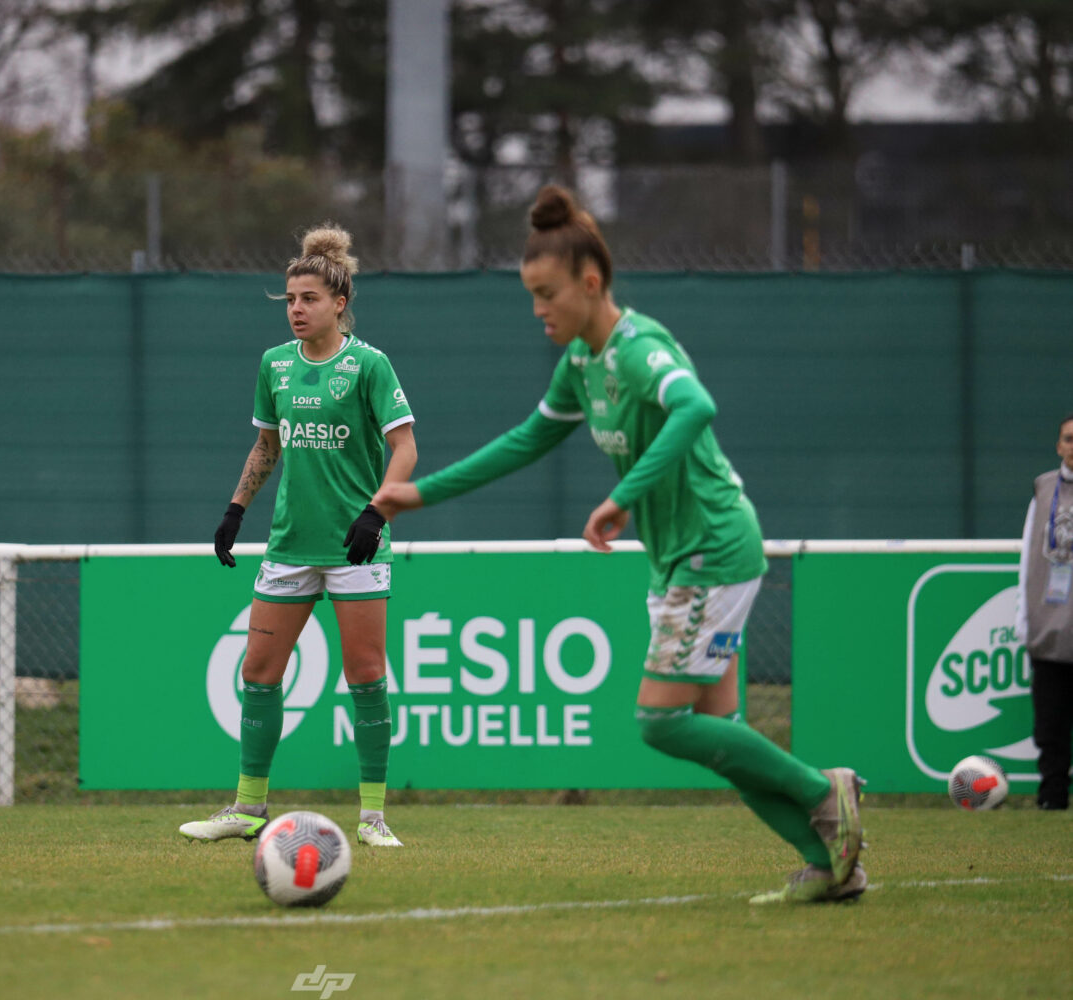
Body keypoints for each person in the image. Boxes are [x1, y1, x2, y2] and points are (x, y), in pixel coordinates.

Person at [371, 185, 865, 903]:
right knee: (719, 731)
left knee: (660, 722)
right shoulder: (582, 362)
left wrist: (623, 496)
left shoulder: (637, 350)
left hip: (711, 548)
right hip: (682, 556)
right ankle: (829, 864)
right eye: (531, 296)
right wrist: (421, 494)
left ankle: (825, 792)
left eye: (546, 295)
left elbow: (696, 406)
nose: (537, 310)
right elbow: (528, 439)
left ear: (590, 282)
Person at [180, 224, 418, 848]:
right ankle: (247, 809)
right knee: (258, 672)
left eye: (309, 299)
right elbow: (267, 446)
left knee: (366, 676)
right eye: (290, 299)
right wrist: (235, 509)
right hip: (288, 546)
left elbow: (405, 448)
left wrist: (377, 514)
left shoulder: (368, 365)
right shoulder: (275, 365)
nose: (296, 309)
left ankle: (373, 818)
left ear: (340, 302)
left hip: (355, 548)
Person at [1015, 414, 1073, 811]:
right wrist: (1023, 614)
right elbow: (1027, 556)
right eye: (1069, 439)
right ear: (1058, 446)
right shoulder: (1043, 488)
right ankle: (1052, 795)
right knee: (1050, 722)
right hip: (1050, 625)